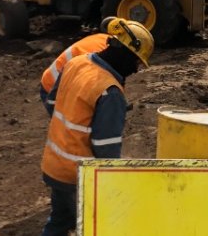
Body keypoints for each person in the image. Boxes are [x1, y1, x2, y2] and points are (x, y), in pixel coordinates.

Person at [41, 18, 154, 236]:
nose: (136, 70)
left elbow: (52, 103)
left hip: (54, 165)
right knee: (99, 227)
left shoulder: (77, 63)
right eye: (137, 62)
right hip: (79, 177)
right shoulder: (109, 92)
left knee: (58, 222)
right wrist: (115, 185)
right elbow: (105, 149)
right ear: (126, 54)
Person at [38, 17, 116, 115]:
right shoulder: (100, 55)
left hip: (61, 83)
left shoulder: (105, 41)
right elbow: (91, 87)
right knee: (73, 126)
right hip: (53, 87)